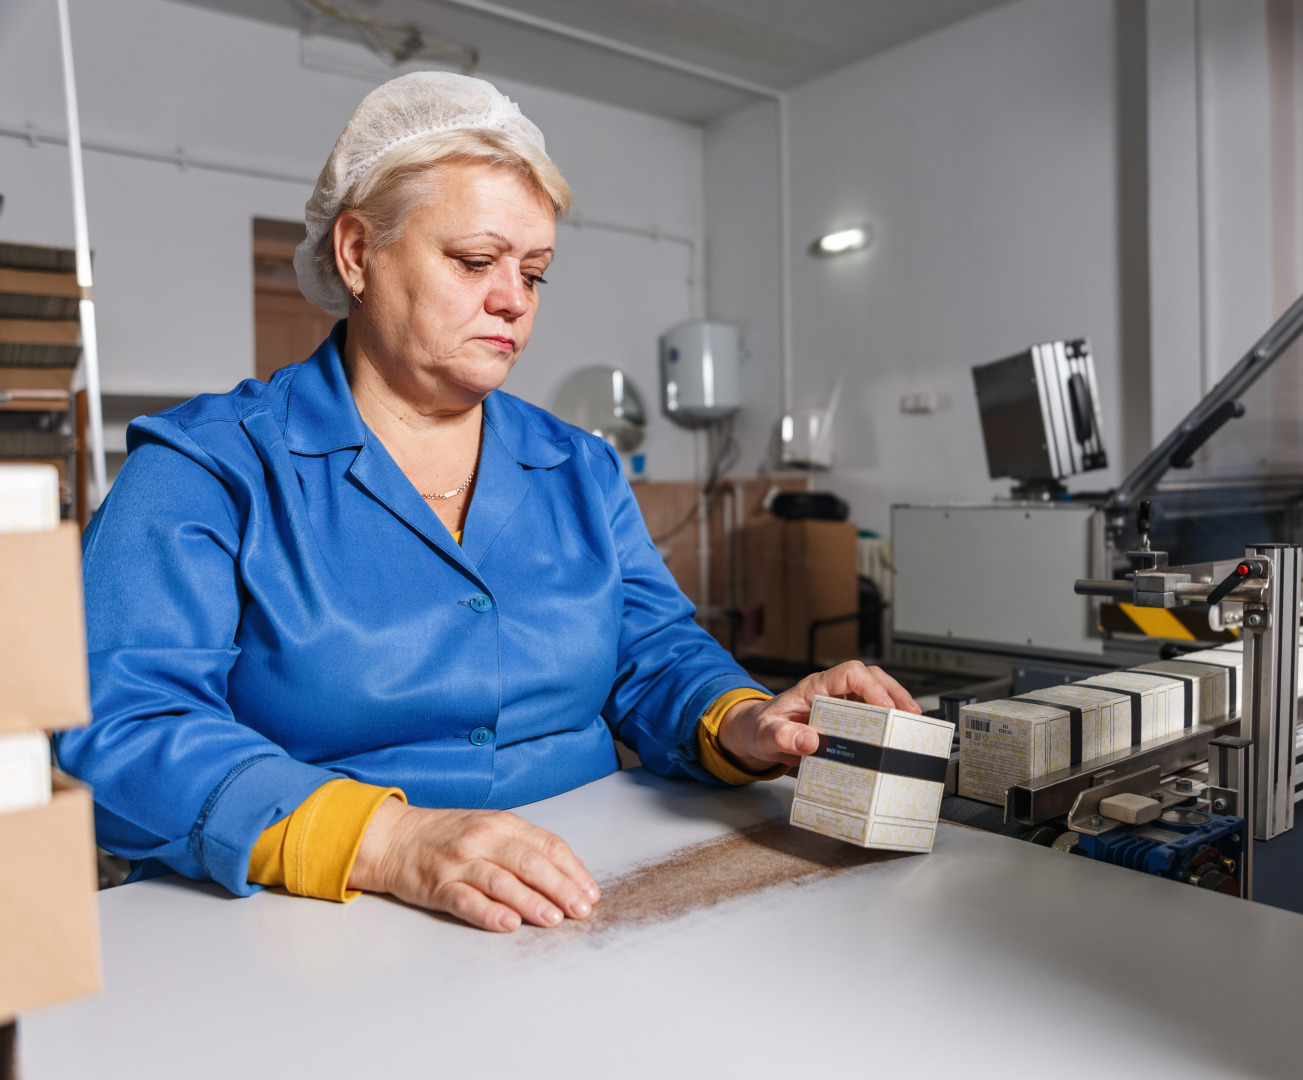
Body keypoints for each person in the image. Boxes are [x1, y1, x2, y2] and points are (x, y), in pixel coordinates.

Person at [56, 72, 917, 934]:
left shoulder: (576, 465)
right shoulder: (206, 466)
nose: (512, 298)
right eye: (473, 262)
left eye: (534, 273)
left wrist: (744, 720)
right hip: (310, 928)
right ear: (356, 254)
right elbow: (125, 730)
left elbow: (649, 652)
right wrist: (390, 841)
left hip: (585, 896)